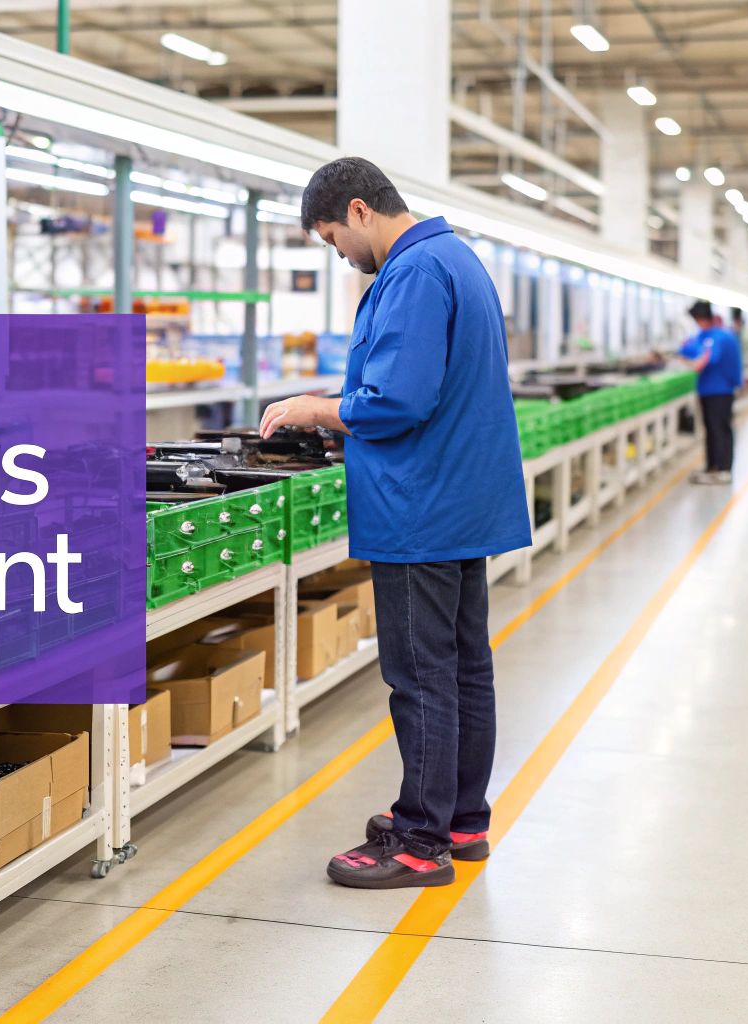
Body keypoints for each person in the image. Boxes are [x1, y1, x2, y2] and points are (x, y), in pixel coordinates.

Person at [257, 157, 530, 890]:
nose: (338, 255)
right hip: (460, 502)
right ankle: (461, 820)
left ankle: (418, 842)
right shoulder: (456, 259)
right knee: (465, 666)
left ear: (358, 212)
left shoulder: (410, 273)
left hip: (420, 509)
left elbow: (399, 399)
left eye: (331, 239)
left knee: (421, 675)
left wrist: (318, 408)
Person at [679, 300, 742, 483]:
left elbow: (705, 360)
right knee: (710, 430)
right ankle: (711, 466)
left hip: (720, 392)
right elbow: (688, 347)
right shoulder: (704, 335)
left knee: (720, 429)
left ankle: (723, 469)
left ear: (702, 318)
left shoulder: (720, 337)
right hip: (707, 391)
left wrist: (692, 363)